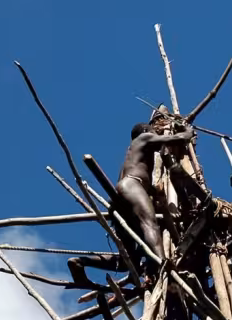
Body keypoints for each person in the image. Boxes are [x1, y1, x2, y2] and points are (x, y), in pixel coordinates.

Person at [66, 121, 195, 286]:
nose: (156, 134)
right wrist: (188, 131)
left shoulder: (135, 154)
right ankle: (164, 266)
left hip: (120, 197)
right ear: (146, 130)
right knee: (150, 225)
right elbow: (178, 138)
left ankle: (80, 262)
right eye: (155, 131)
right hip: (132, 185)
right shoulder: (144, 137)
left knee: (129, 261)